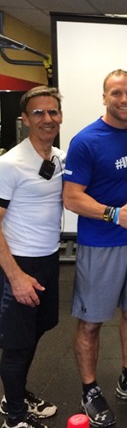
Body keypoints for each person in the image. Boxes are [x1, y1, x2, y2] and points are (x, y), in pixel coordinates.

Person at [63, 69, 127, 427]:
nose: (124, 99)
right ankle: (89, 390)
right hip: (100, 245)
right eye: (116, 93)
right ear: (104, 97)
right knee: (91, 322)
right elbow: (72, 198)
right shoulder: (86, 141)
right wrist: (115, 214)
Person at [0, 86, 65, 428]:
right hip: (19, 264)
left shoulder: (59, 158)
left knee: (37, 331)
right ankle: (14, 417)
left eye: (52, 111)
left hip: (49, 260)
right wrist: (15, 277)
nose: (47, 118)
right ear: (25, 119)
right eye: (38, 113)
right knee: (16, 344)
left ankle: (16, 395)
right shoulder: (9, 164)